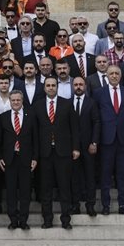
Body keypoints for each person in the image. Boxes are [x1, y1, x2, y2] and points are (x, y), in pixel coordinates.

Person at [94, 65, 124, 215]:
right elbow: (96, 117)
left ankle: (123, 205)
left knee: (122, 174)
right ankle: (106, 205)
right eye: (111, 73)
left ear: (121, 76)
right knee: (105, 173)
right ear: (107, 75)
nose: (114, 76)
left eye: (117, 73)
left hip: (123, 139)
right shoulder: (98, 93)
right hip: (106, 139)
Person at [33, 77, 74, 229]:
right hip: (44, 154)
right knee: (45, 189)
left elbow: (74, 128)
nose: (51, 88)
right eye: (48, 85)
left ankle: (66, 220)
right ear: (44, 88)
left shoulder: (67, 104)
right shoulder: (37, 105)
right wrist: (35, 154)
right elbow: (34, 132)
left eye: (53, 85)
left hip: (63, 152)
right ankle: (47, 220)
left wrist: (75, 148)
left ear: (57, 87)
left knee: (64, 188)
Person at [0, 90, 36, 230]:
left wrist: (35, 158)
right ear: (10, 101)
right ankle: (13, 220)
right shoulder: (3, 117)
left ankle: (23, 220)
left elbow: (35, 138)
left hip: (26, 159)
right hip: (9, 159)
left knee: (25, 191)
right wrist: (0, 157)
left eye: (18, 100)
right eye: (13, 100)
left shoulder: (31, 116)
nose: (15, 102)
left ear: (22, 100)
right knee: (11, 191)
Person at [69, 76, 100, 218]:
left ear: (85, 86)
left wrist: (94, 142)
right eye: (76, 84)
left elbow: (97, 123)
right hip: (72, 147)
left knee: (90, 177)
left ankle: (90, 205)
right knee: (74, 177)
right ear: (72, 86)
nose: (78, 87)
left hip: (88, 146)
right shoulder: (67, 103)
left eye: (81, 84)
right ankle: (75, 205)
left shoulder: (92, 103)